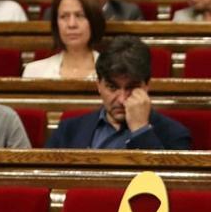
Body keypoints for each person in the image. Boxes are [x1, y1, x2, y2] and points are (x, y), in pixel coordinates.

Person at [47, 36, 191, 150]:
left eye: (131, 88)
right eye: (112, 88)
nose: (122, 99)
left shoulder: (175, 135)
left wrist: (141, 129)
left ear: (147, 86)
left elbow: (163, 183)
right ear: (98, 85)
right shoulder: (68, 130)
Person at [23, 0, 104, 80]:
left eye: (79, 15)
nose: (71, 24)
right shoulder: (34, 72)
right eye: (64, 16)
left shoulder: (112, 70)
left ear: (94, 21)